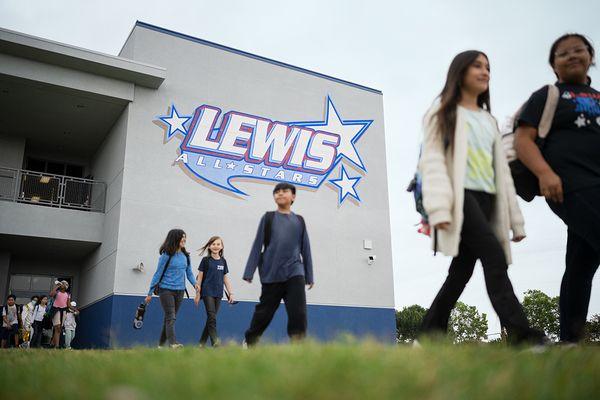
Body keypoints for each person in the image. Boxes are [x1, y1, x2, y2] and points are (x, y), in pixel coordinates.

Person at [418, 50, 545, 345]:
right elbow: (432, 162)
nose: (485, 71)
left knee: (460, 273)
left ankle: (427, 335)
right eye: (477, 65)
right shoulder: (442, 113)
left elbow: (502, 173)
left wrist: (516, 221)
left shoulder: (489, 121)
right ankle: (522, 336)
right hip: (459, 197)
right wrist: (438, 208)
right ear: (459, 71)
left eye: (488, 67)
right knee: (494, 257)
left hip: (489, 200)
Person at [515, 34, 599, 343]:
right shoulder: (548, 95)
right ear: (554, 65)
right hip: (569, 186)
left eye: (579, 50)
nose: (572, 55)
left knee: (581, 264)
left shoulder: (598, 96)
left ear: (591, 56)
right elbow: (522, 139)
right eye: (563, 53)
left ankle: (570, 343)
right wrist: (545, 172)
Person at [243, 182, 314, 346]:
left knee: (298, 313)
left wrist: (309, 275)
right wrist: (249, 272)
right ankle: (250, 341)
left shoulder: (299, 221)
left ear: (293, 196)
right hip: (271, 273)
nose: (280, 194)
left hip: (295, 273)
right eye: (277, 192)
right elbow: (257, 244)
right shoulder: (268, 218)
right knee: (264, 313)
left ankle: (298, 346)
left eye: (285, 191)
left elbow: (306, 248)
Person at [146, 229, 200, 348]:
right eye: (182, 237)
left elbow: (189, 272)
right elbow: (158, 274)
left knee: (168, 318)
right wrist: (149, 293)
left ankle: (160, 346)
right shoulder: (166, 255)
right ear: (174, 238)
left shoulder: (185, 256)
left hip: (180, 291)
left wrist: (195, 284)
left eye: (185, 237)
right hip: (166, 290)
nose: (184, 239)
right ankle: (173, 343)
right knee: (171, 316)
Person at [194, 236, 235, 347]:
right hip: (207, 292)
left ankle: (201, 344)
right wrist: (197, 294)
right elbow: (200, 278)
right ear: (209, 246)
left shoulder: (223, 261)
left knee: (211, 319)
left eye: (218, 244)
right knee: (212, 317)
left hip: (218, 293)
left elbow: (225, 278)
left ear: (221, 247)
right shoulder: (205, 260)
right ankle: (215, 341)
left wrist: (231, 293)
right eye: (213, 244)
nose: (216, 246)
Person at [50, 280, 71, 348]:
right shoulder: (57, 292)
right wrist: (57, 286)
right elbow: (51, 294)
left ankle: (52, 342)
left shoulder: (68, 294)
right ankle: (57, 345)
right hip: (56, 310)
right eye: (62, 283)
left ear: (66, 286)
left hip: (63, 311)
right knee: (58, 327)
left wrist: (75, 309)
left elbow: (68, 305)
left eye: (64, 284)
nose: (62, 284)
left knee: (59, 329)